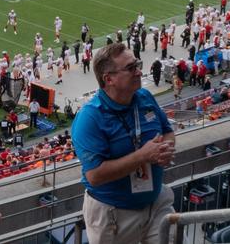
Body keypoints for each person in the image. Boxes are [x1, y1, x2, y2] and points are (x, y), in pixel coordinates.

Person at [72, 43, 176, 244]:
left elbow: (167, 131)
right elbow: (94, 175)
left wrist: (166, 148)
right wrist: (143, 156)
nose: (138, 71)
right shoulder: (90, 118)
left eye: (137, 64)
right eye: (130, 68)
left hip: (155, 203)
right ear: (108, 79)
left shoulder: (144, 97)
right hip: (113, 214)